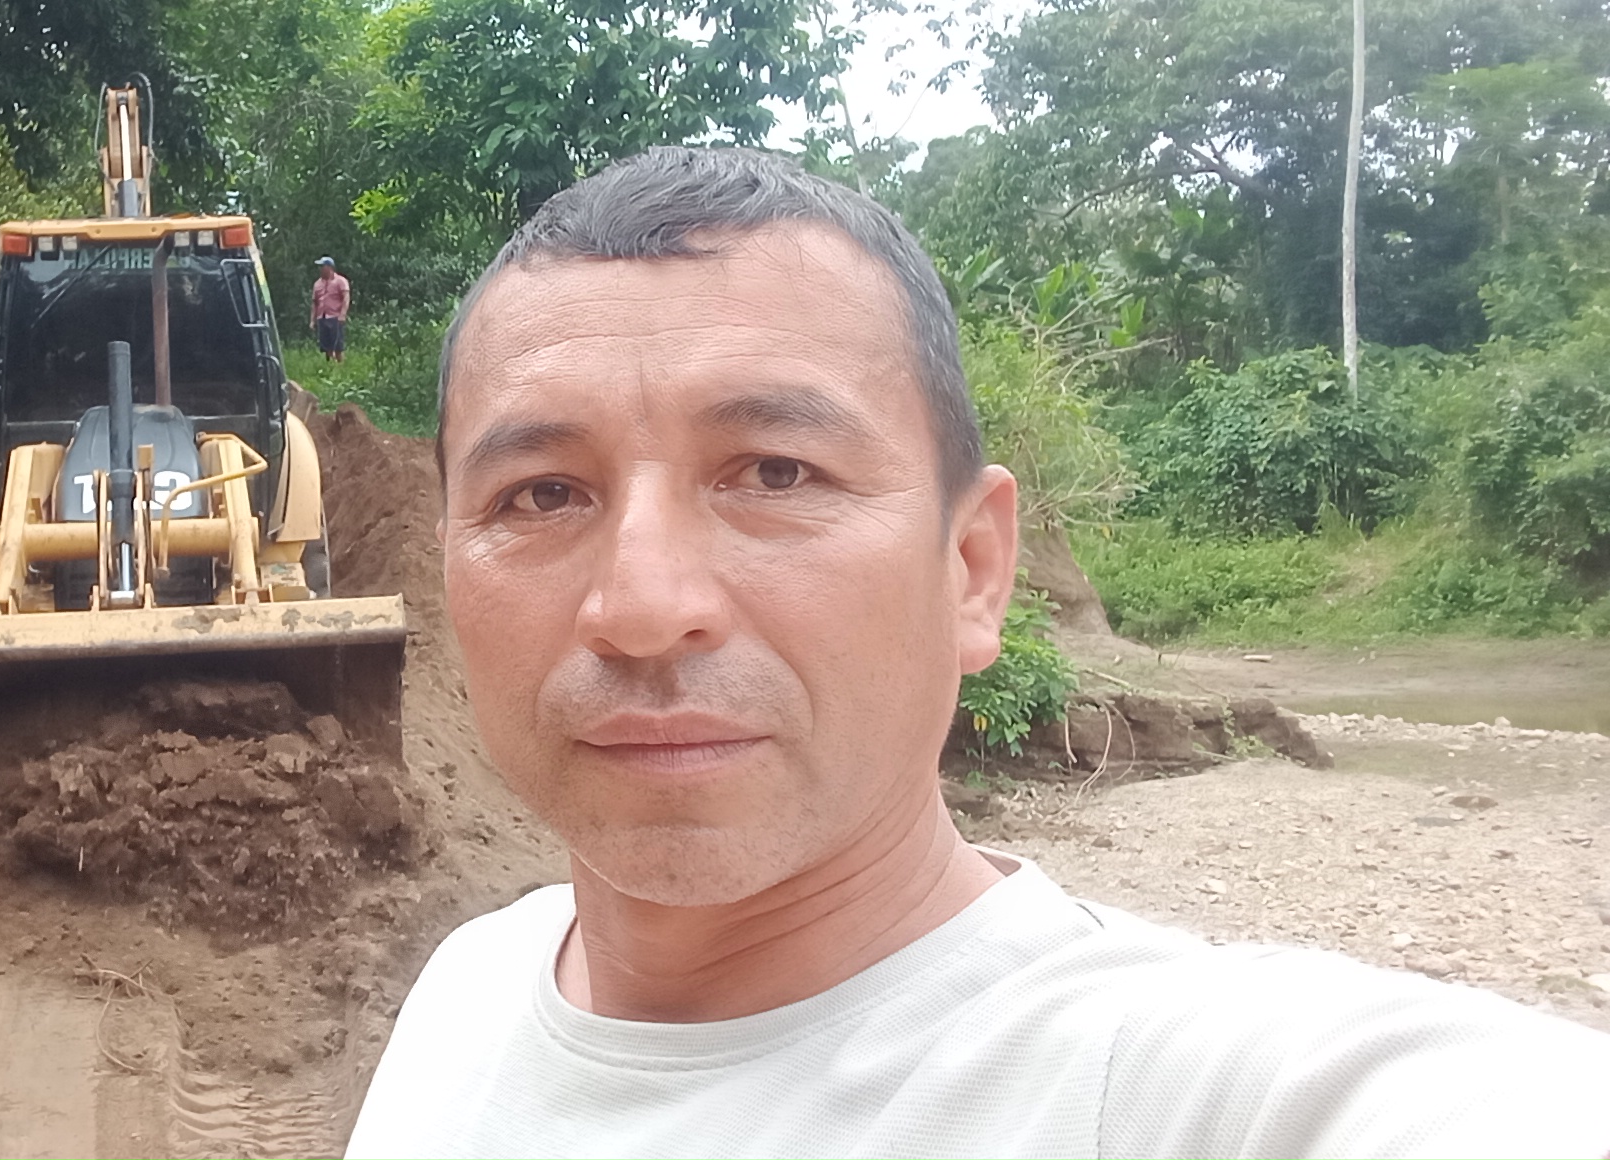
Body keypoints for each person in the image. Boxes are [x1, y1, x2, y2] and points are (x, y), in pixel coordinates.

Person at [344, 146, 1610, 1160]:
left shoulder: (1178, 1088)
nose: (641, 604)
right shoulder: (470, 987)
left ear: (973, 567)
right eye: (543, 494)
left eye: (776, 472)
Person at [312, 256, 351, 363]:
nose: (320, 269)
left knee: (338, 346)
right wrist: (312, 320)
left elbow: (346, 298)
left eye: (322, 266)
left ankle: (340, 365)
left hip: (335, 317)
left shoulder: (341, 281)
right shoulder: (317, 284)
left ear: (329, 267)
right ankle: (329, 366)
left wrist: (343, 314)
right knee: (326, 346)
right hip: (322, 317)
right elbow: (314, 303)